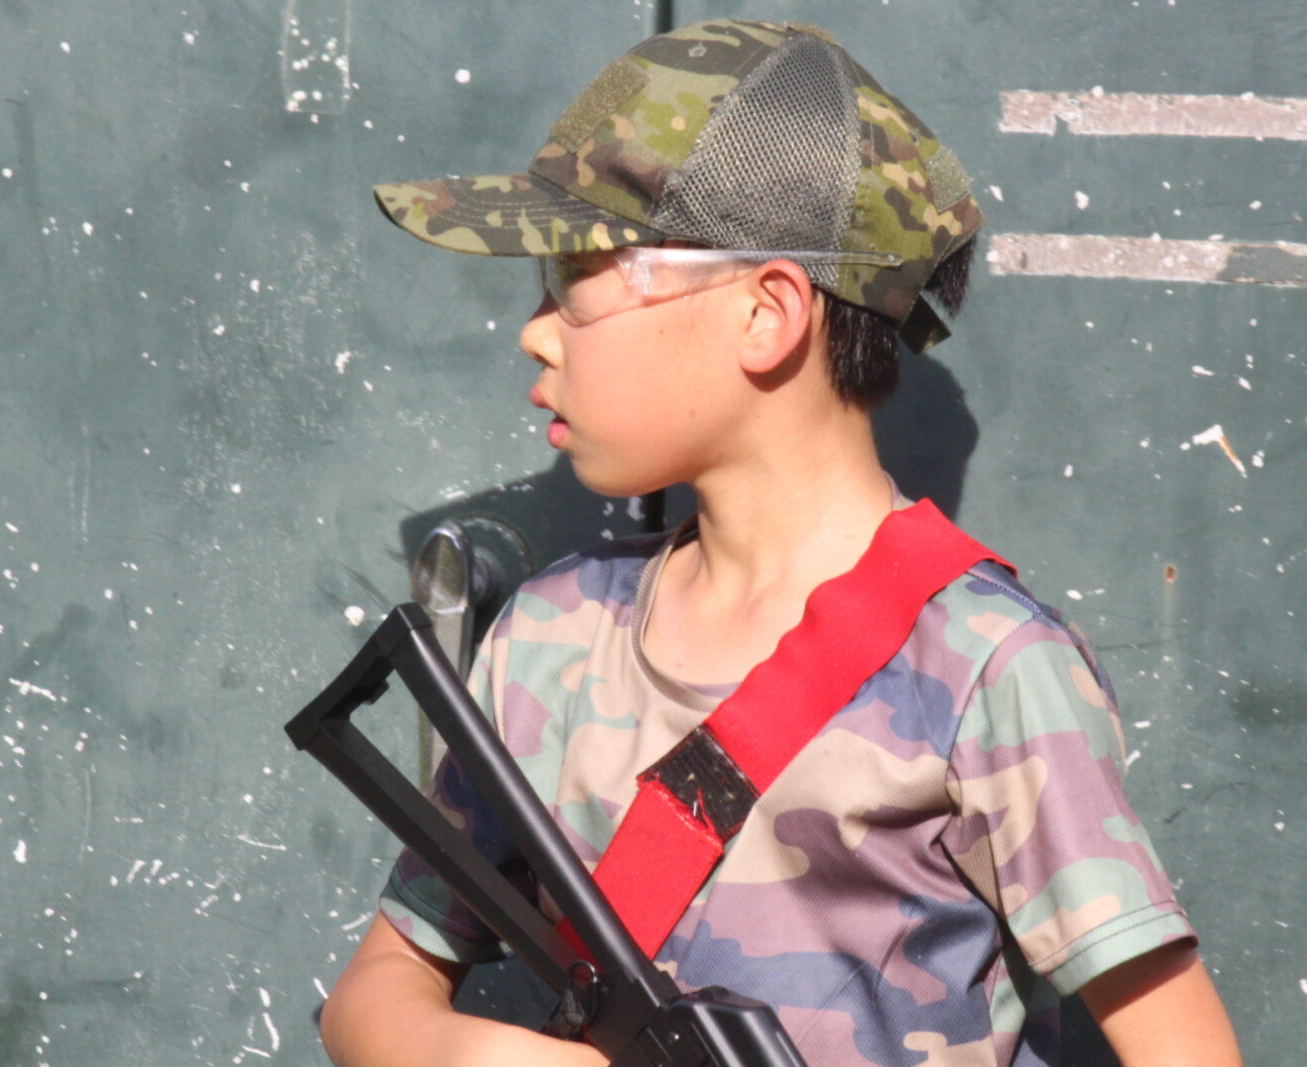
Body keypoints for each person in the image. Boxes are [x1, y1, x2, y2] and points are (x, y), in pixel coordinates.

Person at [320, 17, 1242, 1067]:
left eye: (574, 278)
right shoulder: (549, 637)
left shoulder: (987, 667)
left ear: (766, 314)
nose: (536, 331)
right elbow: (375, 991)